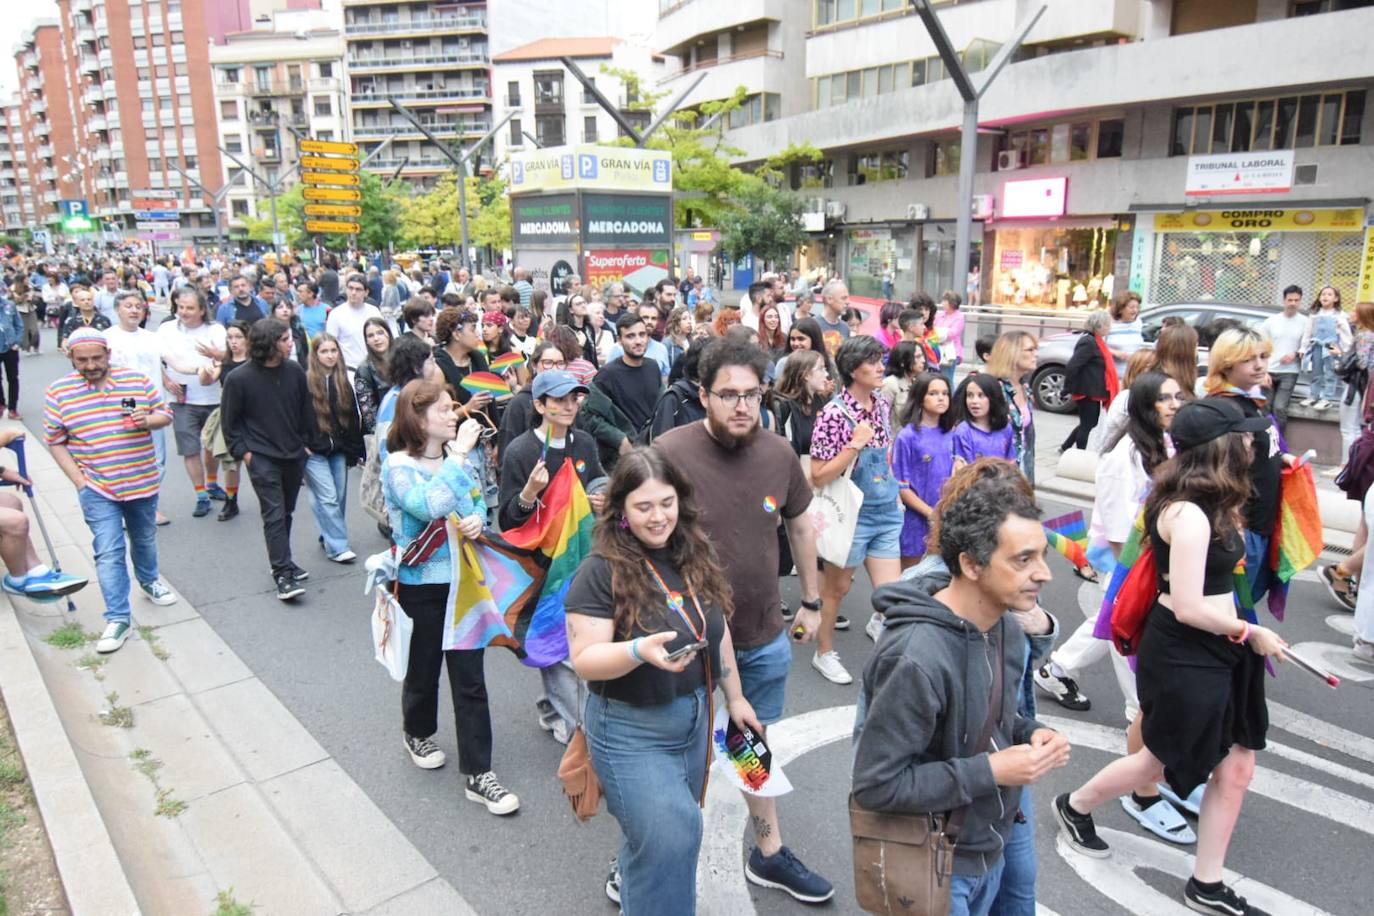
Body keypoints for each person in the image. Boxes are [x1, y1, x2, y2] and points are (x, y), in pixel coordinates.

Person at [1054, 398, 1285, 916]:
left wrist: (1243, 633)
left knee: (1238, 763)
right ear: (1221, 448)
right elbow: (1184, 605)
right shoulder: (1187, 512)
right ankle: (1075, 804)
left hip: (1225, 643)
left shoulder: (1214, 499)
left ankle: (1207, 884)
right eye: (1245, 437)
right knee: (1163, 758)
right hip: (1188, 649)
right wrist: (1251, 632)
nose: (1254, 444)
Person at [654, 340, 832, 904]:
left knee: (752, 747)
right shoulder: (667, 452)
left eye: (751, 394)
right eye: (727, 394)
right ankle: (644, 857)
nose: (741, 406)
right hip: (687, 643)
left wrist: (811, 599)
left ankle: (769, 851)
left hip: (761, 636)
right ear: (702, 395)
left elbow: (802, 527)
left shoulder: (779, 454)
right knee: (674, 758)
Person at [855, 470, 1069, 916]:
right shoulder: (915, 657)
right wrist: (992, 770)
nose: (1044, 574)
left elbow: (995, 714)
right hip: (935, 864)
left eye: (1042, 556)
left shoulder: (1007, 626)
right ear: (971, 565)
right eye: (1023, 559)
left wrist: (1032, 731)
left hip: (990, 849)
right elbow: (877, 785)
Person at [566, 448, 758, 916]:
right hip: (630, 730)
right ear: (622, 513)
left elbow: (718, 629)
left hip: (693, 720)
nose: (659, 517)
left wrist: (735, 697)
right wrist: (638, 651)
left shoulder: (694, 553)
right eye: (644, 507)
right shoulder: (600, 571)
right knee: (675, 838)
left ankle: (635, 877)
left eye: (667, 503)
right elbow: (585, 659)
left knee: (667, 836)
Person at [1037, 371, 1199, 844]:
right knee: (1131, 656)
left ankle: (1058, 668)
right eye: (1164, 398)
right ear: (1146, 406)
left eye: (1178, 396)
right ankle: (1142, 781)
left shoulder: (1170, 446)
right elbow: (1118, 524)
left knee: (1109, 629)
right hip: (1130, 564)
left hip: (1156, 564)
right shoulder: (1124, 455)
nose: (1174, 403)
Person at [381, 378, 520, 815]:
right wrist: (458, 454)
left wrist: (478, 521)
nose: (453, 414)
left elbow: (475, 501)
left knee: (470, 679)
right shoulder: (398, 466)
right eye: (443, 409)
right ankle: (416, 731)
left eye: (451, 407)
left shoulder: (462, 461)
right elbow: (428, 504)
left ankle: (480, 774)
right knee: (422, 669)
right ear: (417, 418)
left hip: (465, 584)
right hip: (421, 584)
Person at [44, 328, 177, 654]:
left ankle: (148, 580)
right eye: (82, 360)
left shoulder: (136, 381)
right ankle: (118, 618)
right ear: (71, 358)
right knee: (108, 550)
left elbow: (165, 415)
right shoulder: (58, 392)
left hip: (141, 480)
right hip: (98, 487)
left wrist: (148, 420)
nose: (90, 365)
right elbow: (56, 441)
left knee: (143, 538)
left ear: (108, 354)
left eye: (96, 358)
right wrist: (79, 481)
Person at [497, 369, 607, 744]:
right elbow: (508, 517)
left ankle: (550, 707)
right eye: (558, 400)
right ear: (539, 405)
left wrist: (602, 494)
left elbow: (599, 480)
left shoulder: (585, 443)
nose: (568, 406)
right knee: (558, 643)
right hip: (543, 565)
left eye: (574, 398)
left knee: (575, 639)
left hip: (584, 557)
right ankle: (582, 728)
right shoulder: (521, 451)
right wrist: (529, 493)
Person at [810, 335, 904, 677]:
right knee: (836, 590)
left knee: (892, 597)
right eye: (873, 361)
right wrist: (854, 445)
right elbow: (818, 476)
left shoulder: (881, 403)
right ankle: (824, 652)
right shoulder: (833, 415)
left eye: (882, 359)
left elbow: (887, 452)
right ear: (852, 369)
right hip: (850, 517)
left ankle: (889, 649)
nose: (881, 367)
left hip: (886, 513)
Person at [220, 318, 316, 602]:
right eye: (285, 339)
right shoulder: (239, 378)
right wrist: (245, 453)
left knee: (285, 511)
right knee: (273, 514)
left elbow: (305, 409)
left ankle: (284, 559)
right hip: (261, 457)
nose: (291, 343)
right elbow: (230, 423)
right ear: (269, 344)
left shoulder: (295, 370)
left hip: (293, 454)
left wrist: (308, 445)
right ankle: (282, 575)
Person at [1205, 327, 1291, 610]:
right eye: (1248, 359)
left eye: (1263, 356)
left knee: (1241, 610)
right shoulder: (1223, 408)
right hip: (1241, 528)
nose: (1259, 364)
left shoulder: (1251, 402)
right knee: (1230, 615)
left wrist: (1282, 459)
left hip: (1260, 524)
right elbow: (1215, 474)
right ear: (1227, 364)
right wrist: (1234, 526)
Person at [158, 287, 229, 517]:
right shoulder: (166, 329)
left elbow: (225, 358)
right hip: (182, 399)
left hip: (213, 397)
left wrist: (214, 361)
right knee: (190, 449)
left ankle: (211, 482)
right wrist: (166, 379)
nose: (184, 312)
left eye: (190, 308)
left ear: (201, 310)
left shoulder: (216, 329)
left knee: (211, 446)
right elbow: (157, 359)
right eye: (180, 307)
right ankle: (200, 495)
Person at [305, 333, 364, 565]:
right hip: (314, 450)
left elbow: (352, 418)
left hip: (338, 449)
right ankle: (338, 547)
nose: (330, 356)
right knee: (327, 497)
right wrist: (303, 445)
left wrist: (355, 450)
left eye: (333, 350)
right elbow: (296, 416)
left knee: (336, 497)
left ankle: (328, 533)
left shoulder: (342, 381)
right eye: (324, 351)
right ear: (315, 354)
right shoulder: (306, 381)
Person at [890, 372, 956, 568]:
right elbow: (901, 486)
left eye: (945, 393)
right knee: (911, 577)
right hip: (916, 521)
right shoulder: (907, 436)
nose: (941, 398)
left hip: (947, 517)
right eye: (933, 393)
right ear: (919, 398)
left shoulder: (952, 434)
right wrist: (931, 513)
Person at [595, 314, 663, 433]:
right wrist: (619, 440)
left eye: (642, 335)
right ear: (619, 340)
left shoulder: (653, 366)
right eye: (630, 336)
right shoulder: (607, 374)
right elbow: (591, 416)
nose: (638, 341)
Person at [1061, 310, 1116, 452]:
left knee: (1089, 423)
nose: (1109, 328)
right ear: (1098, 326)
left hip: (1092, 390)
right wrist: (1067, 388)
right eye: (1107, 325)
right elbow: (1073, 365)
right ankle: (1079, 453)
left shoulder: (1096, 341)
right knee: (1087, 424)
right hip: (1086, 390)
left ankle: (1065, 447)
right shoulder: (1088, 342)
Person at [1258, 284, 1307, 431]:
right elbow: (1261, 348)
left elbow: (1309, 345)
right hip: (1270, 369)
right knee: (1265, 405)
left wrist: (1296, 353)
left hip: (1290, 371)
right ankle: (1264, 439)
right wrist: (1263, 372)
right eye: (1290, 300)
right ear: (1284, 300)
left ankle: (1279, 443)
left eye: (1296, 300)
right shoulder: (1271, 321)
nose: (1293, 303)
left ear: (1300, 301)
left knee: (1280, 407)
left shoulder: (1306, 322)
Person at [1299, 285, 1350, 411]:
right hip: (1317, 345)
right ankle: (1313, 395)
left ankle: (1327, 398)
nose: (1325, 297)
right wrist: (1303, 348)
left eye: (1329, 294)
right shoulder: (1315, 314)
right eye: (1323, 294)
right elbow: (1308, 332)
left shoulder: (1340, 315)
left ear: (1336, 298)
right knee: (1316, 372)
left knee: (1330, 373)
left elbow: (1345, 334)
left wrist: (1343, 350)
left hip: (1331, 347)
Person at [951, 372, 1016, 463]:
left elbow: (1011, 463)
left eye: (981, 395)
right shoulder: (963, 432)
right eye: (970, 395)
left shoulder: (1005, 429)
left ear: (993, 397)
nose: (974, 401)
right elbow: (963, 469)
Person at [326, 276, 384, 371]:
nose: (353, 293)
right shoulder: (336, 314)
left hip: (374, 368)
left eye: (358, 289)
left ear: (366, 293)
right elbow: (330, 344)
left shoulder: (374, 311)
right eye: (350, 288)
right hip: (349, 369)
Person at [354, 317, 393, 435]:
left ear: (388, 334)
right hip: (384, 433)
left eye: (380, 333)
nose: (376, 339)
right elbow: (369, 416)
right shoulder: (364, 370)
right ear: (366, 341)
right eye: (370, 336)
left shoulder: (403, 360)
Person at [1105, 290, 1145, 378]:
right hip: (1113, 374)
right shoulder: (1108, 323)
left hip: (1134, 373)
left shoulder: (1138, 323)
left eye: (1137, 307)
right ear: (1120, 309)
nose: (1135, 310)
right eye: (1131, 307)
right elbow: (1097, 346)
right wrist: (1115, 352)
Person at [57, 286, 111, 352]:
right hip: (80, 356)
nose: (86, 302)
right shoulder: (71, 321)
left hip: (99, 355)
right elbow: (65, 340)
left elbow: (110, 339)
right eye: (82, 300)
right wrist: (65, 348)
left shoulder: (104, 320)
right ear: (76, 303)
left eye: (89, 299)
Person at [556, 290, 599, 367]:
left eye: (584, 302)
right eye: (578, 304)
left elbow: (593, 353)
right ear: (571, 310)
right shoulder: (565, 330)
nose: (583, 305)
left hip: (591, 371)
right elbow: (565, 356)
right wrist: (580, 345)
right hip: (574, 371)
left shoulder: (589, 327)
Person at [881, 340, 920, 420]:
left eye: (922, 356)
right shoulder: (890, 383)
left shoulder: (916, 382)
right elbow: (883, 415)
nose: (923, 361)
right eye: (918, 357)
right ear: (902, 361)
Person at [934, 290, 966, 387]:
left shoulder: (959, 317)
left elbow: (953, 333)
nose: (942, 303)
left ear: (952, 303)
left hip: (950, 352)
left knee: (947, 379)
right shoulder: (939, 315)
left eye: (945, 301)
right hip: (938, 350)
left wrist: (938, 333)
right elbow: (932, 329)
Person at [814, 280, 851, 357]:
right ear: (829, 299)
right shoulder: (813, 325)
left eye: (847, 298)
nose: (848, 302)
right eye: (843, 298)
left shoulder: (845, 327)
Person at [0, 288, 21, 419]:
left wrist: (17, 342)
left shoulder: (9, 305)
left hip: (10, 347)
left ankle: (13, 408)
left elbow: (19, 325)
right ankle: (1, 403)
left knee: (13, 378)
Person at [273, 298, 309, 368]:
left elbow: (305, 352)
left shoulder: (299, 330)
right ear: (274, 311)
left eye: (288, 307)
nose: (285, 310)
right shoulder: (269, 331)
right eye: (280, 307)